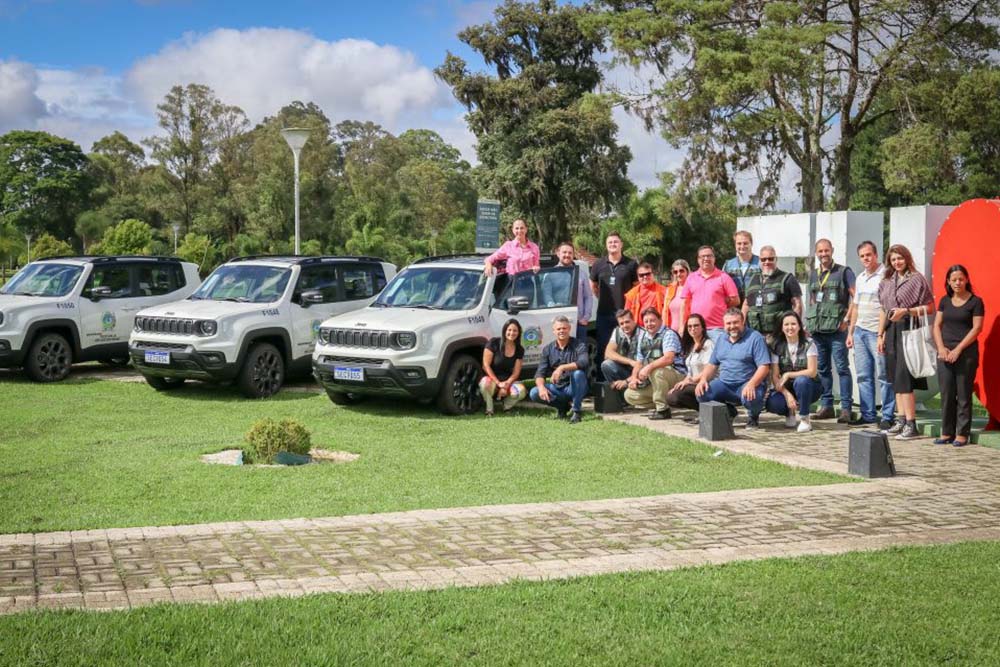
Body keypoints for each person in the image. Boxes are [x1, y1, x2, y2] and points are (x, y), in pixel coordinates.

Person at [877, 244, 934, 440]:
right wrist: (880, 335)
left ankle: (911, 424)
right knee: (894, 378)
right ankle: (901, 420)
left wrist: (907, 311)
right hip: (890, 331)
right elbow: (884, 310)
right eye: (893, 259)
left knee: (904, 378)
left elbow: (930, 307)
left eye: (900, 258)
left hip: (908, 329)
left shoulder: (917, 279)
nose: (897, 262)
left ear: (907, 258)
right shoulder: (886, 281)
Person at [932, 265, 984, 447]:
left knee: (963, 394)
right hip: (945, 353)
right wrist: (941, 348)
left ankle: (962, 434)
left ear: (967, 279)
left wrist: (958, 349)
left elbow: (977, 328)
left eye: (961, 279)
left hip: (966, 353)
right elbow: (937, 325)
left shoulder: (976, 302)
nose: (957, 283)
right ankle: (947, 432)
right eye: (953, 280)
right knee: (947, 393)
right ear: (948, 281)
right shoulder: (945, 301)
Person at [806, 238, 856, 423]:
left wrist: (847, 319)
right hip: (818, 331)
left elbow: (855, 297)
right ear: (816, 253)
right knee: (822, 369)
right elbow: (812, 300)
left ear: (832, 250)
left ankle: (846, 409)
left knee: (842, 368)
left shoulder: (844, 272)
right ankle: (826, 406)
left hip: (837, 330)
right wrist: (810, 322)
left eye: (826, 250)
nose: (823, 254)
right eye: (820, 251)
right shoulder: (813, 274)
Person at [696, 307, 772, 429]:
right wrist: (703, 379)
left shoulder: (755, 338)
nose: (732, 326)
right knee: (702, 393)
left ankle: (753, 416)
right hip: (725, 384)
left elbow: (764, 367)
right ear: (724, 325)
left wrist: (751, 384)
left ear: (743, 322)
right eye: (728, 323)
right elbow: (712, 364)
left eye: (736, 322)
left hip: (747, 383)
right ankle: (728, 412)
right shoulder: (721, 339)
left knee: (751, 397)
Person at [846, 241, 894, 429]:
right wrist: (851, 332)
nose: (866, 258)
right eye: (862, 256)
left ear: (876, 255)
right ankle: (868, 415)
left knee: (884, 375)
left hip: (877, 332)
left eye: (868, 255)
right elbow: (856, 306)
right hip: (860, 331)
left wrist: (882, 333)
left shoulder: (886, 275)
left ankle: (888, 416)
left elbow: (886, 306)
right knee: (863, 376)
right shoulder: (860, 277)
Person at [624, 308, 686, 419]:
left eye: (652, 320)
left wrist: (648, 367)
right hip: (656, 379)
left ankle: (663, 410)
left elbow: (668, 358)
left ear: (660, 320)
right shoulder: (643, 336)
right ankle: (664, 402)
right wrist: (634, 378)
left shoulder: (668, 334)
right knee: (629, 395)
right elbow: (639, 362)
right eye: (646, 321)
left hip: (677, 375)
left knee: (656, 371)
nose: (649, 324)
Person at [590, 232, 638, 374]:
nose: (613, 244)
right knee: (603, 346)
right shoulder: (598, 264)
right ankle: (602, 380)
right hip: (604, 313)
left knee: (627, 347)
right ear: (606, 245)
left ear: (621, 244)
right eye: (610, 242)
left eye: (616, 242)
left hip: (625, 315)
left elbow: (637, 288)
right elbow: (593, 286)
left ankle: (628, 377)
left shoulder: (631, 264)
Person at [765, 311, 821, 433]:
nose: (790, 327)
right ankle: (789, 412)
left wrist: (788, 374)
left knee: (801, 381)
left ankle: (805, 418)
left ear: (799, 326)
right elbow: (775, 377)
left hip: (809, 386)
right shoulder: (777, 346)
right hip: (787, 387)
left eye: (793, 324)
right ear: (782, 328)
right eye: (786, 324)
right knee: (772, 403)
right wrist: (787, 395)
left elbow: (812, 372)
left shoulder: (809, 344)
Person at [530, 316, 589, 423]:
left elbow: (584, 362)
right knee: (534, 392)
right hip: (557, 388)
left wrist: (561, 368)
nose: (561, 331)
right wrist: (541, 387)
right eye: (558, 329)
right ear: (554, 331)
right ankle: (562, 407)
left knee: (578, 374)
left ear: (569, 329)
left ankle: (576, 411)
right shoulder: (548, 349)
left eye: (564, 328)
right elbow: (540, 373)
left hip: (574, 387)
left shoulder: (579, 344)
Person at [742, 245, 802, 339]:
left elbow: (797, 305)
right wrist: (741, 325)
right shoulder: (752, 279)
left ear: (776, 259)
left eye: (770, 259)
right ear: (759, 261)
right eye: (763, 259)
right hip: (754, 335)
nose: (767, 262)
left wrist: (796, 328)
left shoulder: (787, 278)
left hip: (778, 335)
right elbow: (746, 305)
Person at [682, 245, 740, 342]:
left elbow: (736, 300)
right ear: (698, 259)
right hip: (696, 329)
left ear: (714, 258)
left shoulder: (724, 277)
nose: (706, 259)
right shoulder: (691, 278)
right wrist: (682, 325)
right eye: (703, 256)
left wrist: (721, 305)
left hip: (717, 329)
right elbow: (684, 303)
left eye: (709, 256)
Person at [667, 313, 716, 417]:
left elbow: (709, 369)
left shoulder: (708, 344)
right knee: (671, 396)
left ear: (703, 327)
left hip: (707, 383)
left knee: (677, 395)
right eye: (690, 326)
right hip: (694, 383)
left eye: (696, 325)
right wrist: (683, 382)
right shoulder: (691, 346)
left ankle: (715, 411)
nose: (692, 329)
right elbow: (690, 372)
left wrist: (690, 381)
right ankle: (705, 413)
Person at [479, 319, 527, 416]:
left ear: (519, 333)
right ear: (504, 330)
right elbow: (485, 366)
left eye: (515, 331)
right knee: (485, 384)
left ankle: (506, 406)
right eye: (509, 330)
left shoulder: (519, 349)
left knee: (521, 391)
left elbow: (516, 373)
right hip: (492, 380)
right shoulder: (493, 343)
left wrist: (506, 385)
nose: (512, 333)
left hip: (507, 381)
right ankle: (489, 408)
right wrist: (498, 383)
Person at [541, 241, 593, 332]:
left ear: (573, 255)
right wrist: (554, 310)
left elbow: (588, 296)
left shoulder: (582, 274)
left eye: (570, 253)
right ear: (558, 253)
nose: (567, 255)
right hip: (557, 323)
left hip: (578, 322)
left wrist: (586, 317)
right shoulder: (549, 274)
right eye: (564, 252)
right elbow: (547, 295)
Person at [600, 309, 641, 390]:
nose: (624, 326)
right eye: (621, 323)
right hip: (626, 369)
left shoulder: (642, 333)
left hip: (639, 372)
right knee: (606, 364)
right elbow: (608, 353)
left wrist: (627, 380)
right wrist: (630, 361)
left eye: (627, 322)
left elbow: (641, 364)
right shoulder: (617, 331)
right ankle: (619, 393)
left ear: (634, 320)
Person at [723, 230, 761, 304]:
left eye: (745, 243)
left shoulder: (761, 262)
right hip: (735, 306)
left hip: (755, 305)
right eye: (739, 243)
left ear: (751, 244)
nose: (742, 246)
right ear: (735, 245)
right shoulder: (728, 265)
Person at [662, 259, 690, 335]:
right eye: (675, 272)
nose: (678, 274)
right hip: (671, 332)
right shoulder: (669, 289)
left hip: (688, 332)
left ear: (687, 272)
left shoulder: (692, 288)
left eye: (681, 271)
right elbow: (664, 311)